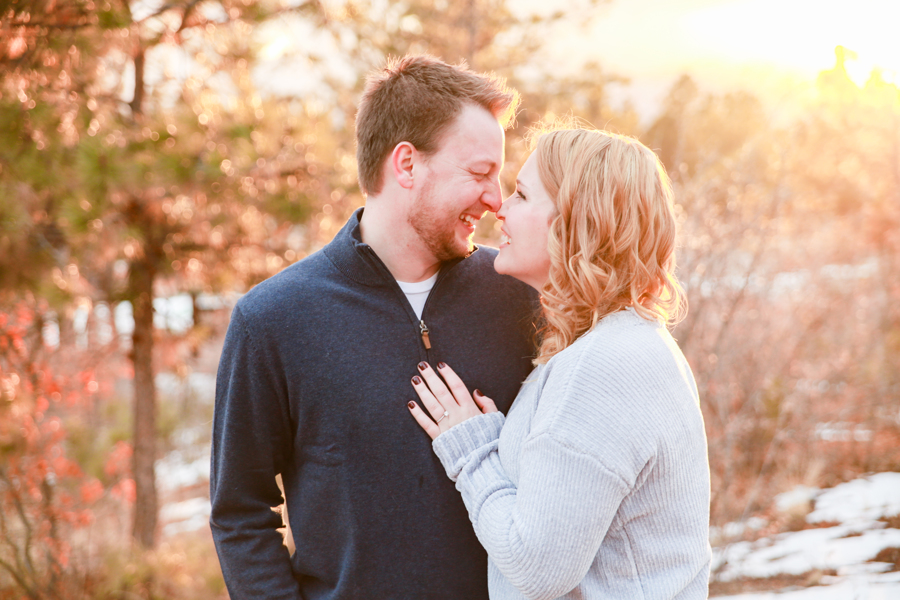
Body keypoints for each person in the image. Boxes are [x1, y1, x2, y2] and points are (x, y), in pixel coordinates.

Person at [209, 55, 539, 599]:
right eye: (480, 173)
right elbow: (240, 513)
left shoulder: (523, 297)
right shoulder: (270, 320)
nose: (495, 199)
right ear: (406, 164)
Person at [408, 128, 711, 599]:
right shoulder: (624, 345)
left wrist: (471, 453)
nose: (500, 208)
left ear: (578, 223)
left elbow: (536, 568)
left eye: (523, 194)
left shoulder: (604, 366)